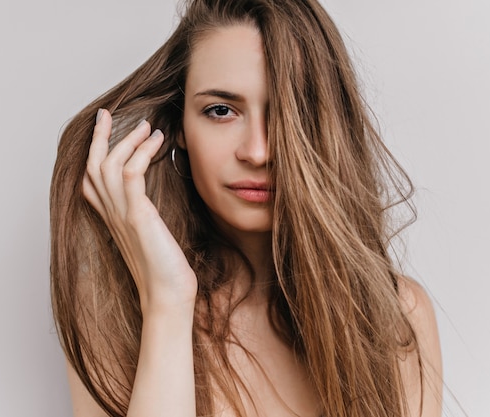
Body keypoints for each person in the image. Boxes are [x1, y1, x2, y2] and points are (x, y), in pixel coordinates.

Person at [50, 1, 443, 416]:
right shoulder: (113, 316)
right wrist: (167, 304)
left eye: (293, 112)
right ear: (179, 126)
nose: (258, 151)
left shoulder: (396, 315)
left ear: (328, 125)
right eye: (221, 111)